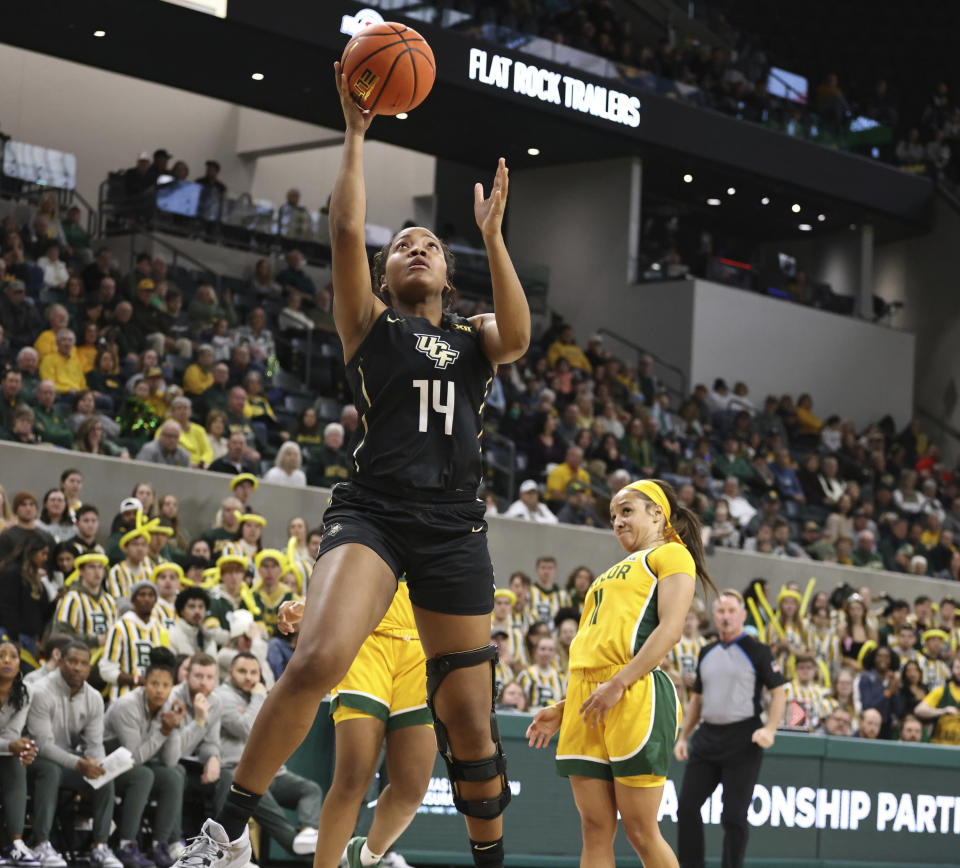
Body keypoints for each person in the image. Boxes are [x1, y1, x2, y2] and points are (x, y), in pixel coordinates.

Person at [171, 62, 531, 868]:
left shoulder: (477, 338)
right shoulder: (368, 322)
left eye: (430, 246)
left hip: (453, 523)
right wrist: (357, 135)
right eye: (403, 243)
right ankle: (224, 834)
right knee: (319, 657)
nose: (415, 249)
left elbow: (520, 336)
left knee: (471, 721)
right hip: (374, 509)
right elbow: (344, 233)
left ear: (446, 273)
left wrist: (495, 239)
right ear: (386, 270)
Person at [526, 479, 715, 868]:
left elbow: (671, 629)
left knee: (641, 830)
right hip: (588, 698)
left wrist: (618, 683)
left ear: (658, 513)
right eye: (613, 516)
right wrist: (566, 706)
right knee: (595, 829)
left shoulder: (671, 555)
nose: (617, 521)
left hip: (635, 692)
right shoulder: (612, 571)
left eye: (626, 511)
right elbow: (599, 646)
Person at [674, 589, 787, 868]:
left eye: (731, 611)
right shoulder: (707, 651)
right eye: (721, 611)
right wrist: (684, 736)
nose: (725, 617)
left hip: (743, 739)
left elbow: (779, 692)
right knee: (686, 808)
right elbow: (697, 700)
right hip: (708, 737)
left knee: (734, 817)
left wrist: (770, 729)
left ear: (742, 615)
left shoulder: (758, 651)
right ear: (714, 615)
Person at [25, 641, 127, 868]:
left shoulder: (94, 698)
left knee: (103, 776)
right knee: (50, 770)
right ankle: (41, 843)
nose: (77, 668)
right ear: (61, 662)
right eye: (72, 661)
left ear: (89, 669)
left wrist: (97, 763)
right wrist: (80, 764)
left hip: (71, 762)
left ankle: (100, 846)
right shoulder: (41, 691)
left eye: (83, 663)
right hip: (35, 759)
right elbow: (42, 744)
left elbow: (94, 744)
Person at [214, 654, 323, 857]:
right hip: (240, 774)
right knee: (279, 821)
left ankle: (308, 833)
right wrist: (259, 696)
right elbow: (248, 728)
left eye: (254, 672)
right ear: (229, 673)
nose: (249, 677)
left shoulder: (263, 694)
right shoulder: (222, 696)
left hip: (274, 773)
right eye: (242, 672)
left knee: (310, 789)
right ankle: (314, 857)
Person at [103, 647, 187, 868]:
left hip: (134, 765)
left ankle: (161, 844)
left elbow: (170, 761)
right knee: (143, 774)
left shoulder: (167, 706)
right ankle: (126, 844)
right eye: (154, 684)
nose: (160, 691)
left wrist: (174, 727)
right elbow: (133, 758)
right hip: (105, 765)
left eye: (166, 686)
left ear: (172, 688)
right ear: (144, 684)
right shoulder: (126, 706)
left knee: (175, 774)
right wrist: (164, 732)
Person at [0, 636, 39, 866]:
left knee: (18, 762)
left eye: (13, 656)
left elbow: (13, 734)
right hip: (4, 748)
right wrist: (11, 746)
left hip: (4, 751)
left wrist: (23, 747)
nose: (7, 660)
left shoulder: (25, 692)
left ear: (19, 664)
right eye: (1, 655)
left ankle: (15, 843)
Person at [99, 581, 167, 702]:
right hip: (122, 699)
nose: (147, 599)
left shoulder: (160, 629)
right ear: (133, 600)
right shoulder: (119, 627)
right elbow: (106, 670)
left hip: (152, 700)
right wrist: (137, 680)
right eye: (142, 594)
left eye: (151, 595)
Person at [916, 656, 960, 745]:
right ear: (951, 670)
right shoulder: (942, 690)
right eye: (958, 667)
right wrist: (942, 711)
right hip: (939, 745)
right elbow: (919, 710)